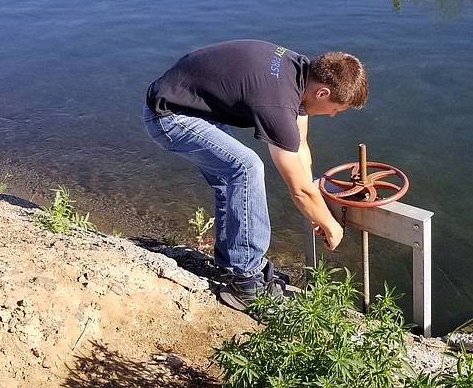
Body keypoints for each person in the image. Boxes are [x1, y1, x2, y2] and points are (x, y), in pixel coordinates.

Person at [142, 39, 367, 310]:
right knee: (246, 168)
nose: (332, 115)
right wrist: (330, 225)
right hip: (168, 117)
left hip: (188, 100)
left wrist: (314, 202)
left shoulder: (299, 71)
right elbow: (298, 190)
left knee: (231, 177)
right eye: (336, 108)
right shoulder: (278, 104)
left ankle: (231, 266)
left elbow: (300, 148)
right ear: (322, 92)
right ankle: (246, 283)